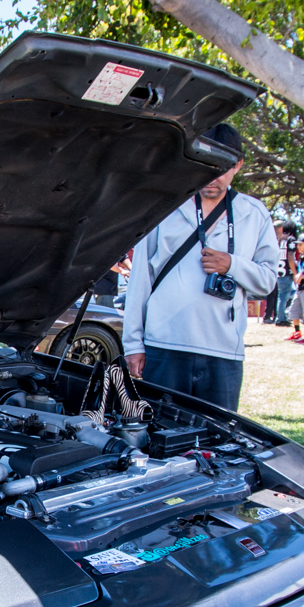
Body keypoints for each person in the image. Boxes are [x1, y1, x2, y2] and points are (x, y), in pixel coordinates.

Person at [121, 123, 280, 412]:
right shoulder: (164, 207)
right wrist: (133, 345)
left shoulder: (254, 214)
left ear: (238, 165)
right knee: (158, 438)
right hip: (165, 347)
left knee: (216, 444)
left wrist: (232, 265)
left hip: (223, 352)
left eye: (223, 167)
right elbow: (140, 279)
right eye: (207, 165)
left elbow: (268, 280)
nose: (213, 176)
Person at [264, 222, 299, 324]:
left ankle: (280, 316)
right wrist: (295, 272)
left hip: (279, 271)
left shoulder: (279, 240)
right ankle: (281, 318)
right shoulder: (291, 240)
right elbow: (290, 257)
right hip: (286, 272)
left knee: (281, 295)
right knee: (284, 296)